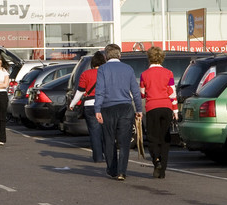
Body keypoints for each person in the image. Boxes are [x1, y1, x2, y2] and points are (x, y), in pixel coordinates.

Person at [94, 44, 143, 181]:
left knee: (109, 140)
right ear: (119, 55)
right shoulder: (128, 69)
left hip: (107, 108)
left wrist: (97, 109)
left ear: (105, 56)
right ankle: (122, 171)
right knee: (124, 141)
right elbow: (135, 91)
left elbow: (100, 91)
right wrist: (139, 109)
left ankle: (112, 169)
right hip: (125, 108)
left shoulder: (102, 69)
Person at [140, 46, 177, 179]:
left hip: (152, 108)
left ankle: (156, 160)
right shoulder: (169, 73)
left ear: (149, 58)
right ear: (162, 58)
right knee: (165, 139)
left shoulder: (144, 74)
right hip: (166, 107)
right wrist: (176, 111)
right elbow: (172, 93)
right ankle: (162, 170)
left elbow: (142, 94)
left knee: (152, 138)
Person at [69, 51, 107, 163]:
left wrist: (72, 104)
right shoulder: (106, 73)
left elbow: (80, 92)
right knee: (106, 131)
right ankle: (108, 154)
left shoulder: (85, 74)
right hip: (105, 104)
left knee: (94, 132)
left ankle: (98, 157)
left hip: (90, 105)